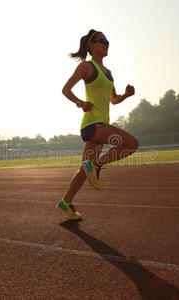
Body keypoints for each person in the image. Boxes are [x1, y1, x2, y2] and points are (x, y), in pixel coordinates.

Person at [56, 29, 139, 220]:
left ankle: (65, 203)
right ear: (91, 45)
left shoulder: (108, 73)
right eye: (102, 41)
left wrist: (126, 95)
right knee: (132, 144)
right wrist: (81, 103)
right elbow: (65, 89)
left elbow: (113, 99)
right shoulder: (87, 66)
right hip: (93, 124)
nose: (106, 43)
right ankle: (97, 164)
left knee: (84, 171)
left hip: (101, 126)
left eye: (108, 41)